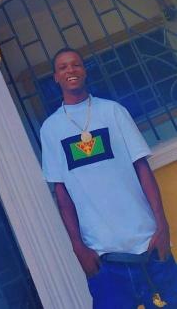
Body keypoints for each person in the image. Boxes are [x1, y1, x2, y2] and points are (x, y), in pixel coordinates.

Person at [40, 47, 177, 309]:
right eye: (63, 67)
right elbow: (62, 193)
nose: (71, 70)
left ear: (84, 70)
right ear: (56, 77)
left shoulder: (113, 111)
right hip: (105, 259)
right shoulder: (51, 129)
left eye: (76, 65)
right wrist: (78, 247)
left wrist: (162, 226)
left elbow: (142, 169)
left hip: (149, 245)